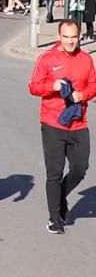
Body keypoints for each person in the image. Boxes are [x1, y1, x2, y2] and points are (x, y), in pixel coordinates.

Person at [28, 19, 96, 234]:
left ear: (79, 37)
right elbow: (33, 87)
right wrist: (53, 86)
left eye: (74, 37)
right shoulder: (47, 59)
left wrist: (82, 95)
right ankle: (54, 217)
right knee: (54, 173)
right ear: (59, 37)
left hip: (78, 123)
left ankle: (60, 196)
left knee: (80, 168)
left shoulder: (86, 59)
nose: (70, 42)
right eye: (66, 37)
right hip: (53, 122)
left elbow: (94, 85)